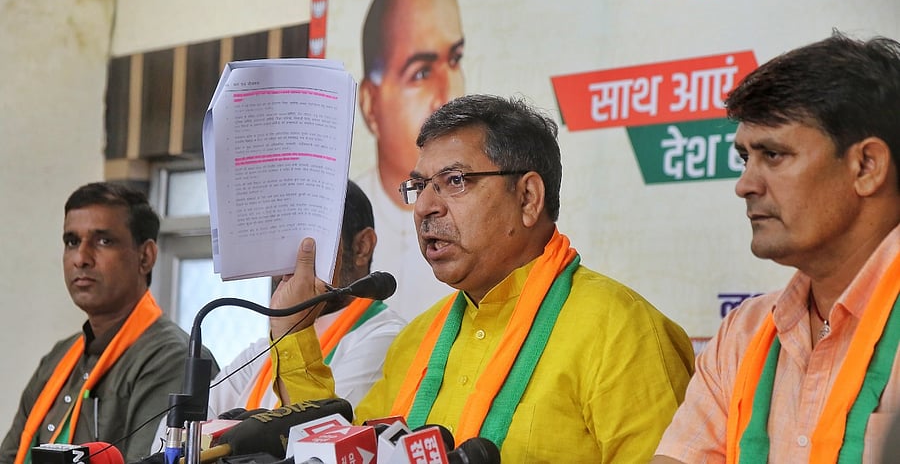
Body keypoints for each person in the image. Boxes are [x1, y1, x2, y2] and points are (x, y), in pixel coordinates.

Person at [269, 94, 695, 462]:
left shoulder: (621, 331)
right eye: (420, 186)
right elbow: (348, 453)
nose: (424, 208)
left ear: (528, 197)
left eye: (454, 181)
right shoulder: (417, 341)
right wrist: (293, 333)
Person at [652, 32, 900, 463]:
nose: (745, 185)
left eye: (773, 155)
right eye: (744, 158)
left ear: (866, 166)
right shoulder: (742, 334)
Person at [149, 180, 407, 452]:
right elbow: (173, 438)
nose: (287, 260)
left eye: (306, 241)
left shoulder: (385, 338)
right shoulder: (262, 350)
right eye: (280, 241)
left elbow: (325, 441)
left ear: (362, 246)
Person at [0, 182, 219, 464]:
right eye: (72, 242)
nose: (81, 258)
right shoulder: (58, 358)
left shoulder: (173, 359)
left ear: (145, 256)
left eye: (103, 241)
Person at [356, 0, 465, 321]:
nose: (449, 93)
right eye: (421, 72)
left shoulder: (484, 215)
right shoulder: (335, 223)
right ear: (371, 105)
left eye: (455, 60)